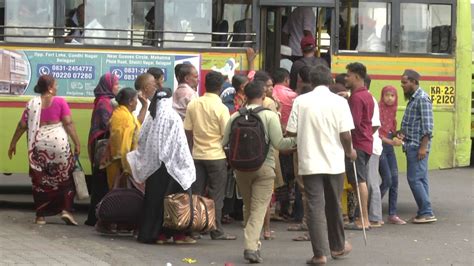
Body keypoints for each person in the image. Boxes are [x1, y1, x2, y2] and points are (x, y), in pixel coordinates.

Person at [286, 65, 354, 265]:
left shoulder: (301, 101)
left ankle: (320, 254)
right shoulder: (340, 102)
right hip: (334, 162)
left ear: (311, 82)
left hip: (309, 161)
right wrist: (350, 151)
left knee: (314, 207)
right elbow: (346, 134)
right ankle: (338, 246)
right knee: (334, 205)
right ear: (330, 81)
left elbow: (291, 132)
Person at [222, 80, 296, 263]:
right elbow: (280, 144)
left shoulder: (234, 117)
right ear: (263, 96)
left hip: (241, 169)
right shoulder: (270, 116)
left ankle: (253, 243)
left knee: (249, 206)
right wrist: (297, 141)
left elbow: (224, 143)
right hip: (264, 167)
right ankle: (251, 247)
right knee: (258, 209)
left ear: (245, 96)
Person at [8, 75, 81, 225]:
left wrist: (13, 143)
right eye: (56, 85)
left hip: (39, 146)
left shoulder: (32, 104)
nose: (57, 87)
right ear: (49, 87)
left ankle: (40, 216)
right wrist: (77, 143)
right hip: (59, 146)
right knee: (65, 178)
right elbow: (68, 123)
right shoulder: (60, 102)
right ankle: (66, 210)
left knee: (40, 181)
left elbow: (22, 125)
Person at [127, 89, 197, 245]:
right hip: (172, 166)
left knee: (154, 201)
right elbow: (181, 144)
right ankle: (177, 235)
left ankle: (156, 235)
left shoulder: (150, 118)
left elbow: (142, 139)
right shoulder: (174, 117)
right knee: (175, 201)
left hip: (154, 167)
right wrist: (186, 164)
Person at [183, 71, 236, 240]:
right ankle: (216, 229)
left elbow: (188, 131)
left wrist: (192, 150)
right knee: (216, 195)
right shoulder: (221, 108)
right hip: (216, 156)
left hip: (197, 155)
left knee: (196, 193)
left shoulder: (193, 104)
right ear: (221, 88)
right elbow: (226, 135)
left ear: (205, 85)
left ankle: (194, 228)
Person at [399, 69, 436, 224]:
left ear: (414, 82)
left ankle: (427, 211)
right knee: (421, 179)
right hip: (412, 144)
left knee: (414, 179)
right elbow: (413, 123)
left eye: (404, 82)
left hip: (417, 146)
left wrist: (423, 147)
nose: (402, 86)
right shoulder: (414, 99)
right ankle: (423, 211)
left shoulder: (422, 98)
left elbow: (428, 126)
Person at [85, 72, 120, 226]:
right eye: (116, 84)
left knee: (101, 184)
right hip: (103, 146)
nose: (118, 87)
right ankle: (96, 217)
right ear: (108, 86)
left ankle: (96, 217)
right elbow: (107, 125)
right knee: (101, 184)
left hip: (102, 144)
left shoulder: (105, 101)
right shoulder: (104, 103)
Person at [343, 62, 374, 231]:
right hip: (366, 142)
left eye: (348, 75)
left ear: (356, 76)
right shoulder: (366, 95)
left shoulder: (356, 97)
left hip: (357, 144)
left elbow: (352, 123)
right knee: (358, 180)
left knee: (359, 180)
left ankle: (364, 219)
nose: (346, 78)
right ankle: (363, 218)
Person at [100, 88, 141, 189]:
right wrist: (127, 169)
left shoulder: (123, 113)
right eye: (136, 99)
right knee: (119, 195)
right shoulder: (124, 118)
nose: (137, 102)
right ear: (131, 102)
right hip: (120, 166)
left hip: (121, 163)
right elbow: (123, 148)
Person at [378, 85, 406, 225]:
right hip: (380, 148)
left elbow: (391, 130)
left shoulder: (392, 111)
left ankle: (392, 214)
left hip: (389, 148)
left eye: (392, 95)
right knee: (387, 180)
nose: (389, 98)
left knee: (395, 181)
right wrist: (391, 141)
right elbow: (376, 133)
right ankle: (372, 208)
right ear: (382, 96)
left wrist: (398, 135)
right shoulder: (378, 109)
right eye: (387, 95)